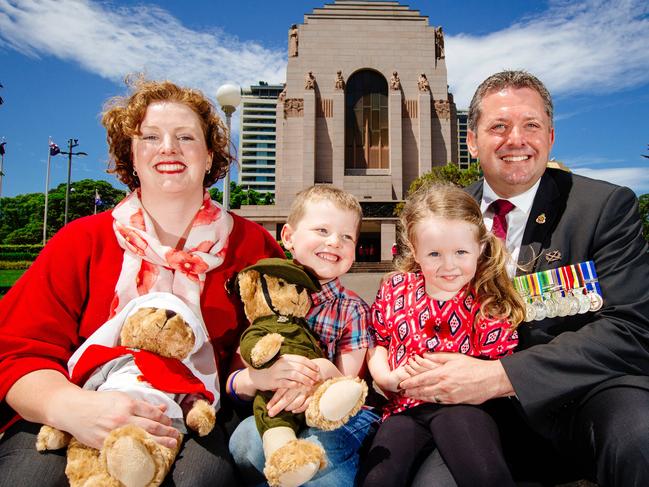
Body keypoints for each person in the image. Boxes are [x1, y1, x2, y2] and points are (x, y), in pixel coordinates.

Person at [0, 78, 284, 486]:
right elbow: (17, 350)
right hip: (75, 404)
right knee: (29, 478)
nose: (168, 147)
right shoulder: (82, 240)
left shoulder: (252, 246)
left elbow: (269, 338)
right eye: (150, 137)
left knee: (204, 479)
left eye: (185, 136)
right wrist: (71, 406)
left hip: (191, 411)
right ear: (131, 158)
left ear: (209, 157)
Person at [406, 70, 649, 486]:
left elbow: (632, 327)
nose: (515, 139)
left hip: (584, 396)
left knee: (641, 438)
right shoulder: (439, 215)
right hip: (472, 415)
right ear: (472, 141)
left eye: (531, 125)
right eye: (498, 126)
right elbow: (409, 312)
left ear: (550, 137)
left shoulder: (603, 206)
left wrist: (502, 376)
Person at [358, 183, 523, 487]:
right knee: (378, 478)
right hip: (403, 407)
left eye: (461, 252)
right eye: (434, 253)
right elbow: (378, 340)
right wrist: (383, 377)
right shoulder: (396, 288)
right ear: (414, 250)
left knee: (484, 474)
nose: (449, 266)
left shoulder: (487, 300)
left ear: (480, 248)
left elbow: (503, 371)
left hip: (466, 407)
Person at [228, 185, 378, 486]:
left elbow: (349, 391)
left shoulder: (352, 309)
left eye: (347, 236)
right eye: (322, 230)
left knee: (322, 448)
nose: (334, 241)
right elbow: (234, 378)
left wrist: (321, 372)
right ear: (288, 237)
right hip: (275, 413)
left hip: (335, 421)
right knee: (246, 439)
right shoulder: (263, 297)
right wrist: (257, 378)